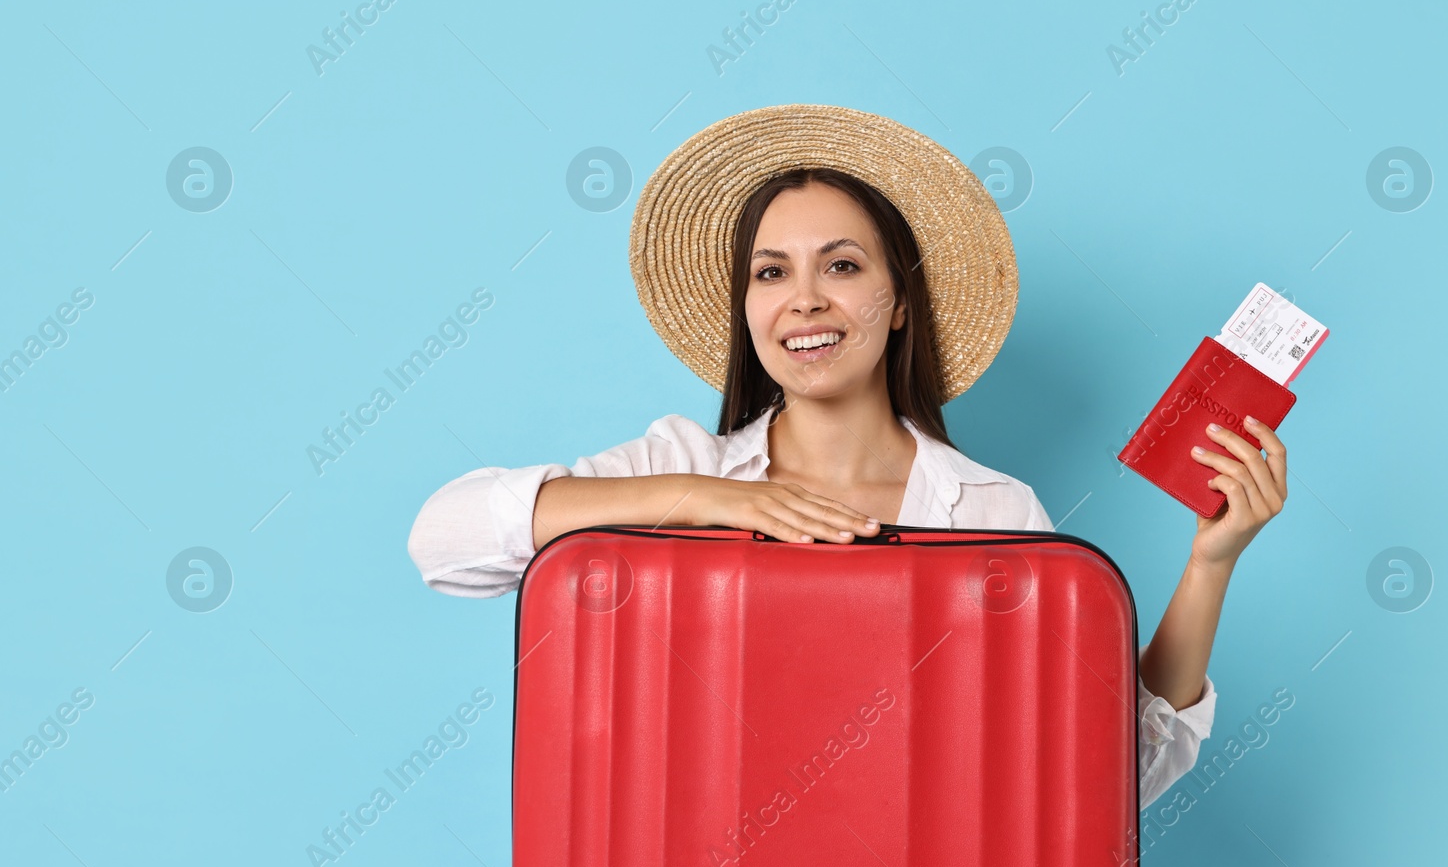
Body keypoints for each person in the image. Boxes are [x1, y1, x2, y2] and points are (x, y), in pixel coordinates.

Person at [406, 104, 1290, 810]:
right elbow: (443, 540)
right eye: (769, 272)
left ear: (899, 301)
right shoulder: (682, 467)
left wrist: (1211, 562)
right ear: (746, 311)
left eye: (840, 266)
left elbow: (1102, 783)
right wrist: (713, 501)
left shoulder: (990, 511)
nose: (803, 301)